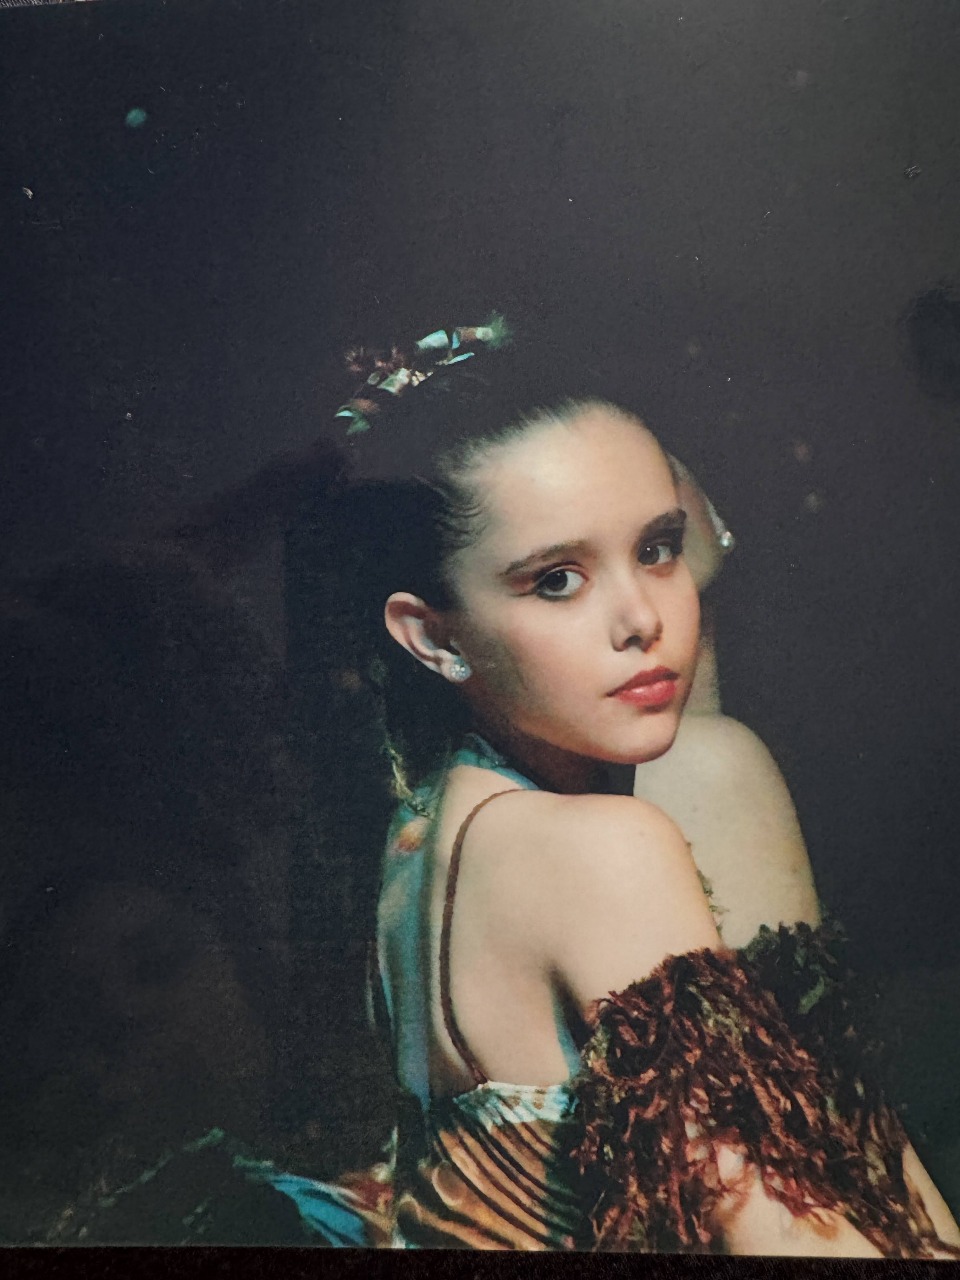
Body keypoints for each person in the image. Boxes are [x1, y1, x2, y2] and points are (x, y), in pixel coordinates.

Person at [313, 318, 958, 1254]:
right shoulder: (597, 848)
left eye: (656, 549)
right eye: (557, 580)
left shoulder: (426, 832)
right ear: (434, 636)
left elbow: (848, 1164)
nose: (641, 618)